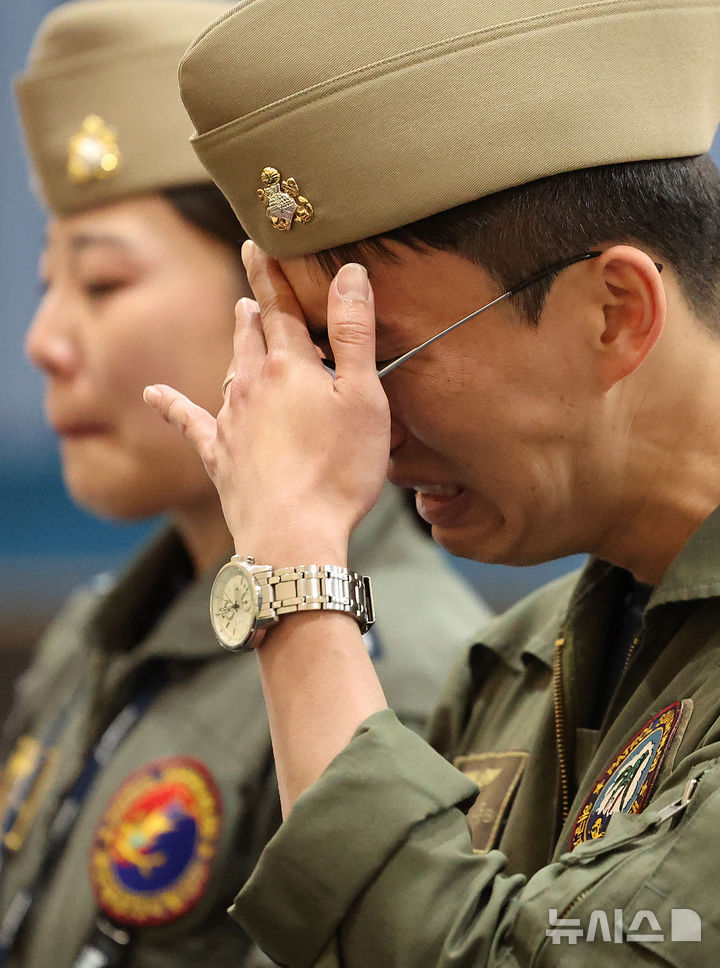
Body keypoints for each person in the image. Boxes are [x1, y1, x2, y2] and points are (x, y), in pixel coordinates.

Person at [144, 0, 720, 963]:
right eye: (322, 361)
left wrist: (293, 572)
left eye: (381, 355)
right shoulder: (514, 665)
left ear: (615, 312)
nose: (351, 422)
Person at [1, 3, 493, 967]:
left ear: (277, 295)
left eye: (101, 284)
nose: (45, 344)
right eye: (44, 287)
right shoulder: (100, 637)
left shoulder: (393, 671)